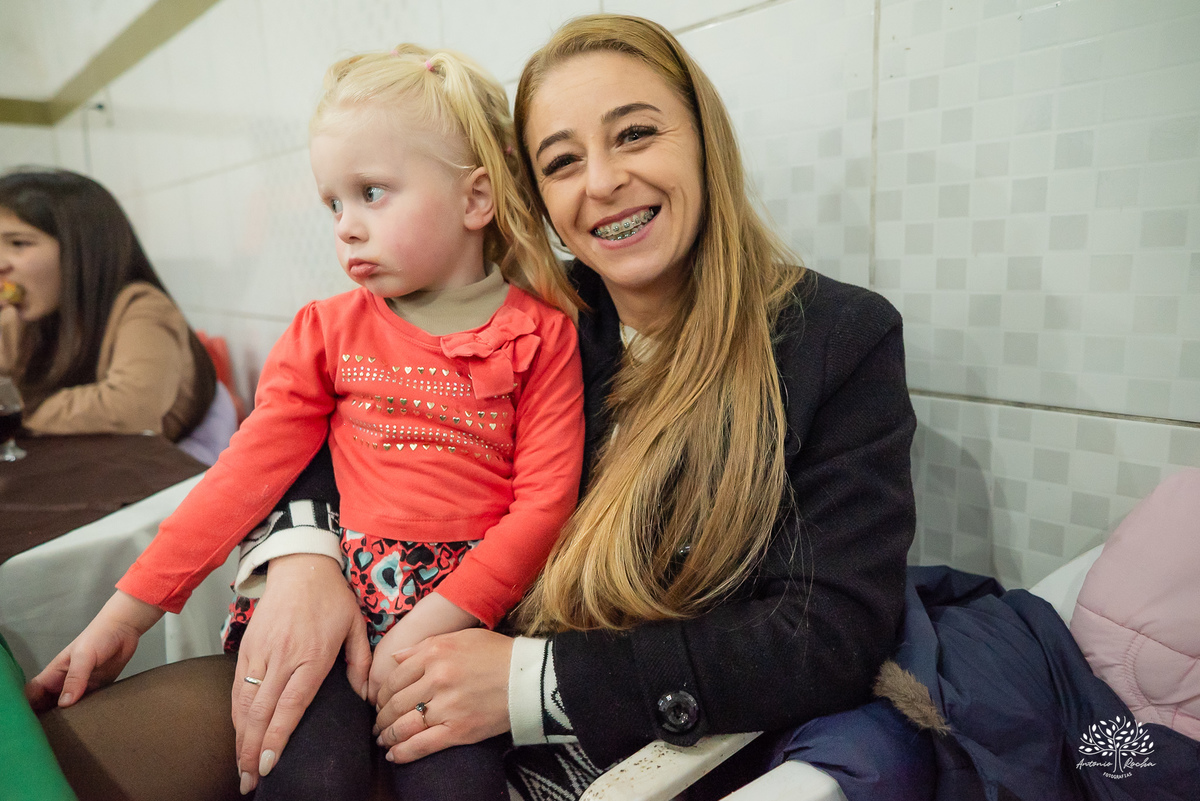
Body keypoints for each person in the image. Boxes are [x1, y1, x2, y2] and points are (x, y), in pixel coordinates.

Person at [31, 15, 916, 801]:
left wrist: (530, 682)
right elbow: (328, 429)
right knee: (70, 754)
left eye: (636, 134)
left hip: (596, 727)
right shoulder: (551, 312)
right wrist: (304, 555)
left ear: (705, 141)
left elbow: (827, 631)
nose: (601, 182)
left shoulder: (833, 339)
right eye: (561, 160)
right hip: (385, 655)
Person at [28, 44, 584, 801]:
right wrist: (128, 611)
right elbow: (241, 477)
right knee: (305, 776)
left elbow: (544, 503)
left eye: (372, 193)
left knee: (458, 788)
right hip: (336, 609)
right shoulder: (326, 331)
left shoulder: (542, 336)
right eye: (334, 203)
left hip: (460, 626)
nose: (346, 227)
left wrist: (436, 623)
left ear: (475, 199)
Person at [0, 169, 215, 442]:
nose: (1, 264)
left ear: (83, 252)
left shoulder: (141, 307)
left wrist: (17, 409)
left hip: (170, 464)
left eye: (18, 243)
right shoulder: (25, 317)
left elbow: (132, 406)